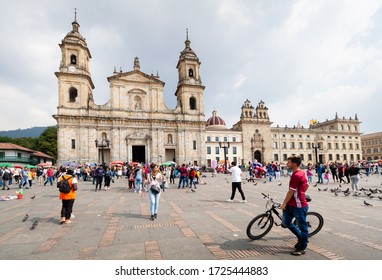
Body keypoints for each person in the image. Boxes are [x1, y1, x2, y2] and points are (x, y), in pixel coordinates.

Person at [280, 155, 309, 256]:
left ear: (294, 164)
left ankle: (302, 247)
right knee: (286, 222)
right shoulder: (299, 173)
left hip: (299, 205)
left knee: (303, 226)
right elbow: (307, 185)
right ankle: (301, 237)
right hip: (291, 204)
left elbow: (291, 191)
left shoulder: (297, 175)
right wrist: (302, 191)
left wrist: (284, 203)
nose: (287, 164)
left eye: (289, 162)